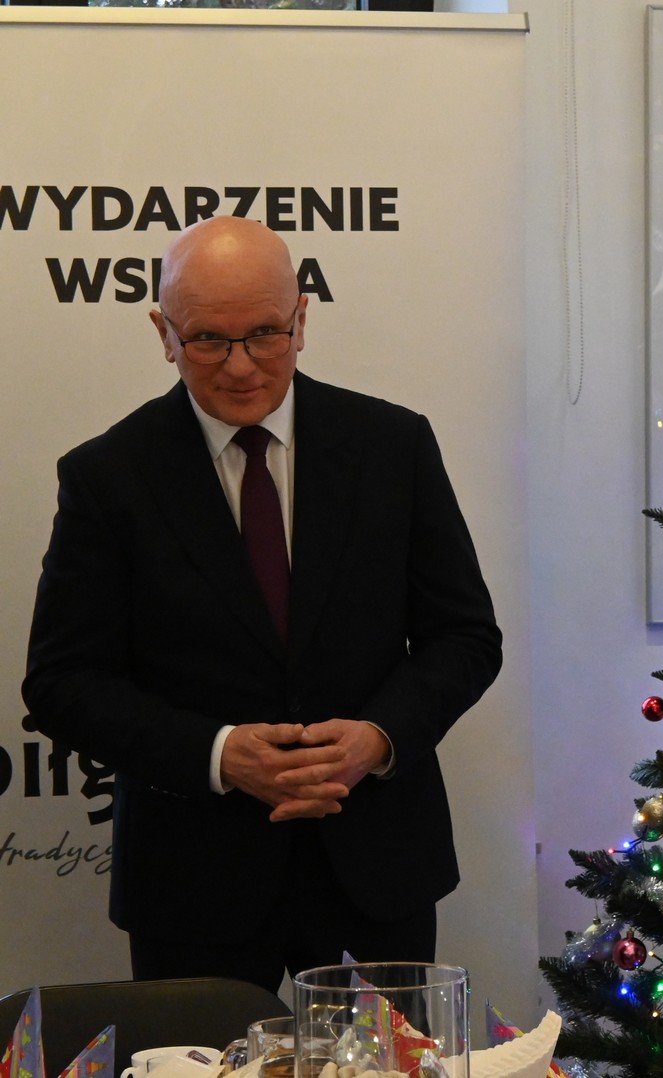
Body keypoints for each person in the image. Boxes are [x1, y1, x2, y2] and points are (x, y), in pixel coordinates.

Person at [22, 216, 502, 992]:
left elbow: (465, 637)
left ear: (301, 320)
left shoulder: (393, 446)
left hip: (375, 866)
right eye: (209, 340)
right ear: (164, 333)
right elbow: (62, 682)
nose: (241, 366)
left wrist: (377, 738)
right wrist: (219, 755)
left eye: (266, 335)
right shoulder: (108, 476)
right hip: (192, 879)